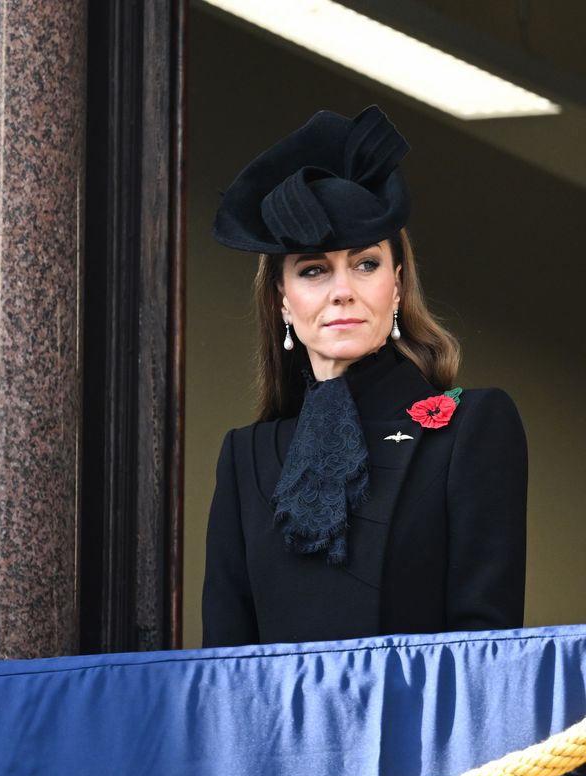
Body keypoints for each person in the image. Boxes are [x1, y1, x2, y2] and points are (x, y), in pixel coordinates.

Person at [202, 106, 527, 647]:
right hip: (278, 734)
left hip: (419, 730)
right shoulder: (245, 456)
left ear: (396, 285)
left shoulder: (472, 426)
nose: (342, 291)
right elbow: (226, 664)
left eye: (365, 264)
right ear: (283, 299)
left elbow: (486, 652)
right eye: (313, 270)